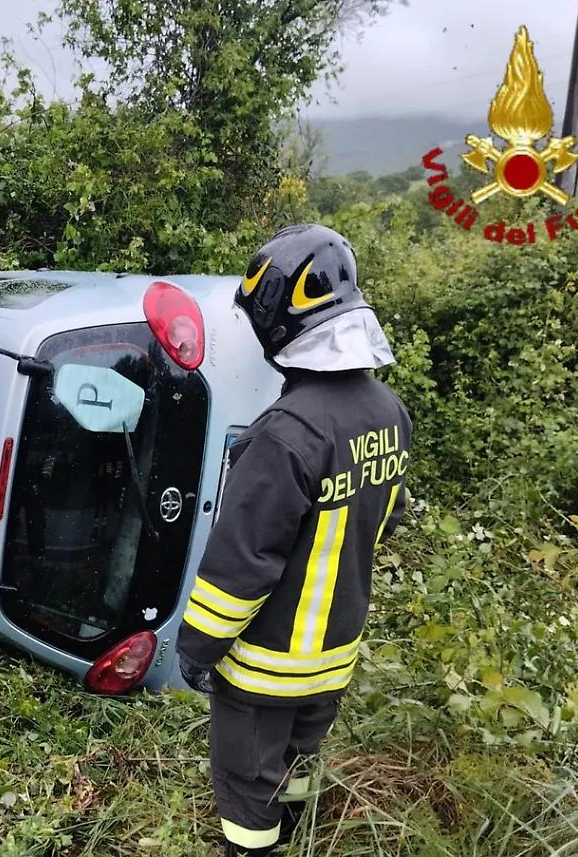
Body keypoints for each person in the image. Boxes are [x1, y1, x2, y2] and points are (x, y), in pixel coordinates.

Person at [177, 224, 412, 855]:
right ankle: (299, 835)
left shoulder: (285, 433)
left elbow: (242, 562)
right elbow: (381, 518)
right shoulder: (390, 413)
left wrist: (198, 647)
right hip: (335, 650)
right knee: (298, 760)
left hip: (266, 663)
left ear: (281, 324)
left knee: (245, 784)